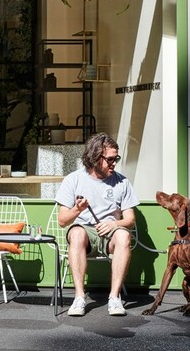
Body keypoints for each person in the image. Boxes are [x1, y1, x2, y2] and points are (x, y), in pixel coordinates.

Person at [55, 132, 139, 317]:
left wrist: (114, 224)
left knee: (124, 235)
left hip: (110, 234)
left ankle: (114, 298)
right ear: (94, 157)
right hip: (84, 233)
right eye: (110, 159)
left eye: (116, 158)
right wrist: (77, 209)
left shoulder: (122, 182)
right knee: (76, 234)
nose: (114, 163)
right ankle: (79, 298)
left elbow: (130, 220)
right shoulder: (73, 180)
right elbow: (62, 221)